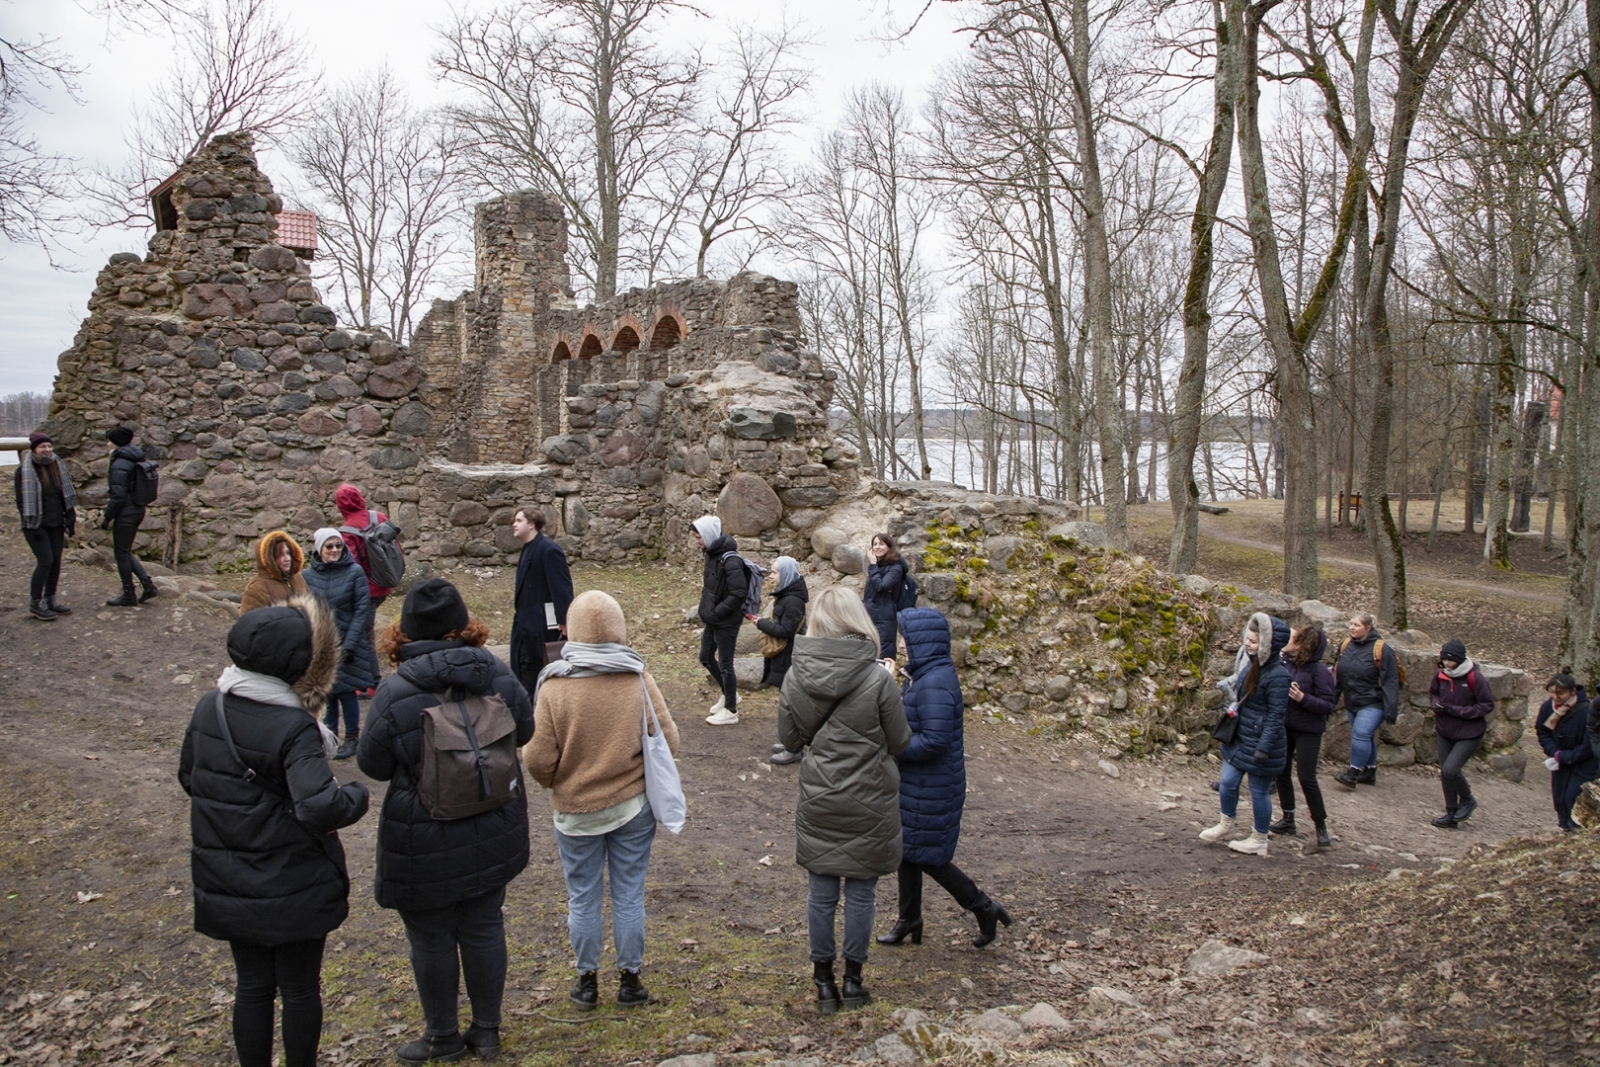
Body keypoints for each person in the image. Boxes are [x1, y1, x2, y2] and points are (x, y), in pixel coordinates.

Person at [178, 598, 370, 1067]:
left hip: (229, 872)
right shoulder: (293, 725)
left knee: (253, 986)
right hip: (290, 877)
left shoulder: (213, 705)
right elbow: (319, 805)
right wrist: (357, 796)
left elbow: (190, 776)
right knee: (300, 987)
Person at [357, 580, 534, 1064]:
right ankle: (487, 1031)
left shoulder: (396, 691)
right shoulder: (495, 673)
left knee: (431, 935)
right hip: (493, 821)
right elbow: (527, 727)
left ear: (406, 631)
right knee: (482, 924)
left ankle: (441, 1037)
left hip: (424, 833)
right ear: (463, 624)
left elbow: (372, 764)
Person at [522, 590, 679, 1012]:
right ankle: (630, 981)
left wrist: (561, 781)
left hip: (575, 810)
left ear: (571, 628)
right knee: (629, 894)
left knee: (583, 896)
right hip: (632, 804)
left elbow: (536, 758)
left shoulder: (554, 686)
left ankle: (586, 981)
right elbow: (670, 739)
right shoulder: (636, 677)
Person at [777, 586, 911, 1014]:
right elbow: (899, 741)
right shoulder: (876, 678)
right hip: (870, 797)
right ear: (858, 621)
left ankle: (822, 985)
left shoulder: (796, 675)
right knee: (861, 894)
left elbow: (790, 739)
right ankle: (852, 982)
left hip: (821, 795)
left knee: (820, 894)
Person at [877, 607, 1011, 950]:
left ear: (924, 640)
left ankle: (983, 906)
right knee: (907, 852)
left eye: (907, 638)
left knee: (930, 858)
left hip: (933, 786)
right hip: (919, 783)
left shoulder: (935, 682)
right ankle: (909, 919)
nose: (902, 644)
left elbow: (935, 741)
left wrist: (894, 748)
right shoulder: (924, 675)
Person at [1200, 612, 1290, 857]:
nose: (1247, 644)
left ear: (1269, 645)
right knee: (1228, 783)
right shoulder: (1251, 664)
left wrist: (1264, 747)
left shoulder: (1280, 676)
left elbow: (1276, 715)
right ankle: (1225, 824)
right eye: (1247, 639)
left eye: (1253, 641)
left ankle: (1259, 838)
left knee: (1259, 791)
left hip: (1262, 742)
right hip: (1241, 737)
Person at [302, 529, 378, 761]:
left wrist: (349, 644)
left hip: (348, 643)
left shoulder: (355, 572)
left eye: (338, 546)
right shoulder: (307, 576)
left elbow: (361, 610)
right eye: (329, 546)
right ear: (319, 549)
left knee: (347, 692)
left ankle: (352, 737)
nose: (335, 550)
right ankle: (331, 737)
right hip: (321, 645)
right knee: (328, 693)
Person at [1272, 625, 1336, 849]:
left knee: (1306, 777)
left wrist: (1303, 698)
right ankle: (1288, 818)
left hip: (1309, 730)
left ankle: (1321, 826)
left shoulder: (1320, 672)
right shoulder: (1287, 663)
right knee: (1281, 771)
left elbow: (1329, 705)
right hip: (1286, 726)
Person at [1428, 638, 1495, 828]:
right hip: (1445, 730)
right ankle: (1451, 813)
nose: (1447, 663)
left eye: (1450, 660)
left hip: (1469, 733)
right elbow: (1433, 693)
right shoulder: (1440, 675)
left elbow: (1486, 705)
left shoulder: (1474, 678)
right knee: (1445, 773)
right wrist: (1436, 706)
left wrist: (1457, 711)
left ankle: (1467, 799)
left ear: (1459, 659)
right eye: (1444, 660)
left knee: (1451, 769)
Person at [511, 506, 574, 697]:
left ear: (531, 524)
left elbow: (561, 587)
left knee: (536, 672)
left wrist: (564, 621)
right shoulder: (528, 548)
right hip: (525, 626)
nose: (514, 525)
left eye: (519, 521)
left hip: (540, 628)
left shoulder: (548, 550)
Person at [14, 432, 78, 621]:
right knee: (45, 561)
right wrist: (33, 525)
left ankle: (51, 599)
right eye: (43, 447)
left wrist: (70, 518)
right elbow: (21, 501)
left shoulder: (56, 466)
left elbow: (62, 496)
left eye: (49, 446)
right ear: (34, 448)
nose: (47, 450)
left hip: (56, 522)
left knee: (56, 562)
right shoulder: (24, 471)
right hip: (35, 524)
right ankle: (36, 602)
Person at [1332, 612, 1400, 788]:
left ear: (1368, 628)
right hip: (1352, 700)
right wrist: (1332, 699)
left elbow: (1391, 682)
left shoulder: (1383, 650)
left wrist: (1391, 711)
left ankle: (1353, 773)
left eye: (1357, 625)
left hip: (1373, 702)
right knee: (1365, 737)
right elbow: (1338, 675)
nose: (1352, 628)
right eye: (1351, 624)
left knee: (1361, 734)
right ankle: (1370, 771)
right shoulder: (1345, 645)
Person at [693, 515, 747, 725]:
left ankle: (731, 710)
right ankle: (729, 693)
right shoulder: (711, 554)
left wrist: (718, 611)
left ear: (708, 535)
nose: (697, 541)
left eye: (699, 537)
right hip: (714, 619)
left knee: (725, 664)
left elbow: (738, 593)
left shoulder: (730, 560)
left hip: (726, 621)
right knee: (705, 656)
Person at [755, 556, 808, 766]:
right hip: (785, 658)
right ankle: (790, 743)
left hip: (790, 658)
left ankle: (794, 748)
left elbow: (786, 631)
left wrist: (761, 624)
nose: (771, 576)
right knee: (787, 703)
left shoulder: (792, 601)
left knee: (791, 705)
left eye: (775, 572)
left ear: (785, 574)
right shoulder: (787, 596)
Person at [101, 426, 160, 607]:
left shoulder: (120, 463)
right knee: (124, 551)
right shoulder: (135, 457)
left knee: (121, 553)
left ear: (117, 442)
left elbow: (118, 495)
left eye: (109, 440)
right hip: (137, 509)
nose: (107, 443)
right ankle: (148, 586)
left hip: (126, 512)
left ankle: (129, 594)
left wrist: (107, 517)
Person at [1535, 669, 1596, 831]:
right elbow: (1543, 732)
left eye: (1560, 693)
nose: (1555, 696)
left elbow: (1589, 743)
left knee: (1574, 798)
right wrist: (1554, 752)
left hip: (1585, 765)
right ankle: (1565, 830)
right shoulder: (1548, 708)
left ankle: (1578, 831)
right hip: (1560, 762)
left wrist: (1568, 756)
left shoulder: (1588, 711)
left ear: (1572, 691)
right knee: (1560, 798)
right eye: (1552, 692)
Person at [334, 483, 396, 608]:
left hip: (368, 588)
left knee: (364, 625)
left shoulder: (347, 530)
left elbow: (352, 564)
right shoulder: (380, 516)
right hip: (386, 580)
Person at [241, 531, 309, 614]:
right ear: (268, 559)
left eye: (288, 553)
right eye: (280, 555)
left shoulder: (297, 578)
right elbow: (249, 623)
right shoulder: (257, 589)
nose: (287, 558)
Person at [862, 534, 907, 659]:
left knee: (882, 656)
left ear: (889, 547)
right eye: (875, 544)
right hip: (870, 616)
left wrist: (872, 565)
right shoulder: (877, 566)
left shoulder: (896, 568)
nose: (877, 547)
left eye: (881, 544)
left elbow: (881, 586)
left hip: (884, 618)